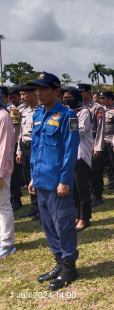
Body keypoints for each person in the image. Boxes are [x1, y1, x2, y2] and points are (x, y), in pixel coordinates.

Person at [27, 72, 80, 290]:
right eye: (36, 89)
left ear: (57, 92)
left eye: (43, 89)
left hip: (58, 182)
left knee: (64, 224)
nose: (38, 93)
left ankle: (69, 266)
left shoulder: (68, 116)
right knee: (48, 224)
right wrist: (32, 176)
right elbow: (36, 149)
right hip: (41, 180)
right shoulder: (38, 115)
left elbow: (70, 150)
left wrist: (65, 180)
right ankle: (59, 261)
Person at [63, 87, 93, 232]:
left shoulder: (83, 111)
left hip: (80, 154)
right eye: (64, 97)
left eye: (69, 97)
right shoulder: (65, 112)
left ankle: (84, 218)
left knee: (82, 188)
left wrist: (63, 128)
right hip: (69, 155)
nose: (66, 99)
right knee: (73, 189)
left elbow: (79, 130)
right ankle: (76, 215)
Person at [77, 84, 106, 208]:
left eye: (82, 91)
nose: (80, 94)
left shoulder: (97, 108)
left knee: (96, 171)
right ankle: (89, 193)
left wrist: (98, 147)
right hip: (83, 143)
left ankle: (98, 195)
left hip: (94, 141)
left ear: (88, 92)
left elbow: (100, 128)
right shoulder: (79, 107)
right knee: (86, 170)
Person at [16, 85, 42, 221]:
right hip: (24, 147)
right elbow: (20, 132)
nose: (21, 97)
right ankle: (34, 206)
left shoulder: (42, 110)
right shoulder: (23, 110)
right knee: (27, 176)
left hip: (35, 147)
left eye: (23, 94)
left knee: (36, 175)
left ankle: (41, 207)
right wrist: (19, 151)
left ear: (33, 93)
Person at [1, 87, 23, 212]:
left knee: (13, 175)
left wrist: (14, 148)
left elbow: (15, 132)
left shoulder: (11, 110)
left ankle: (16, 200)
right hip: (5, 148)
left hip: (11, 147)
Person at [0, 95, 16, 258]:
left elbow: (4, 149)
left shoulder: (3, 116)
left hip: (1, 169)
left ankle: (7, 243)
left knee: (3, 204)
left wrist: (1, 173)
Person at [99, 90, 114, 190]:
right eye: (101, 98)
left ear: (110, 98)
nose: (101, 100)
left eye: (103, 98)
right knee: (106, 162)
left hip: (112, 140)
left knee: (113, 162)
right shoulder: (101, 109)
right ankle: (110, 179)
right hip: (103, 140)